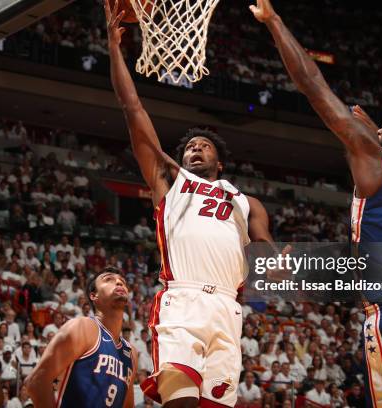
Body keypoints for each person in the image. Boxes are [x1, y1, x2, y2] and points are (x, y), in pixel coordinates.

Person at [250, 1, 382, 406]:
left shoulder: (378, 158)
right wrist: (381, 139)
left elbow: (314, 86)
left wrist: (274, 22)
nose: (377, 126)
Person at [105, 0, 277, 406]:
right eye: (190, 147)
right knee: (178, 401)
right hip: (182, 301)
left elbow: (263, 247)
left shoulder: (246, 200)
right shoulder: (170, 180)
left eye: (204, 146)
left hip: (227, 309)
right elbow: (133, 110)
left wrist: (278, 259)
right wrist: (115, 48)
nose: (196, 149)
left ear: (220, 160)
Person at [24, 266, 137, 407]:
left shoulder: (131, 353)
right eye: (109, 279)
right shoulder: (82, 327)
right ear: (93, 295)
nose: (119, 283)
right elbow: (36, 381)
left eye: (122, 281)